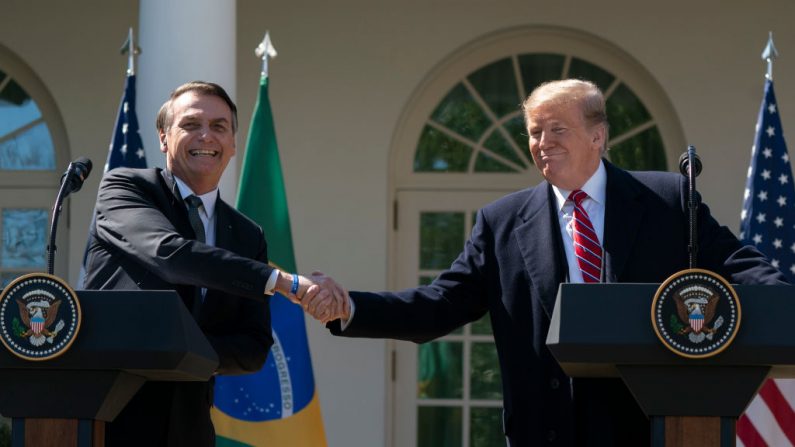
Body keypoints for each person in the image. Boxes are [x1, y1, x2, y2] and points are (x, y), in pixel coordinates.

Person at [308, 79, 787, 446]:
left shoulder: (666, 200)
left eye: (558, 129)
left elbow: (739, 261)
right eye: (535, 132)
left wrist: (785, 305)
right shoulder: (502, 222)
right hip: (546, 428)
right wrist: (351, 307)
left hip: (649, 421)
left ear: (598, 136)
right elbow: (439, 304)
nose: (542, 142)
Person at [82, 81, 342, 447]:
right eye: (190, 125)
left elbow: (252, 348)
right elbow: (169, 254)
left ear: (233, 144)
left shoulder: (247, 235)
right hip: (109, 421)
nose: (206, 135)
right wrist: (283, 281)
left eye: (219, 127)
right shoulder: (125, 189)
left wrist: (174, 349)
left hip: (190, 428)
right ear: (163, 137)